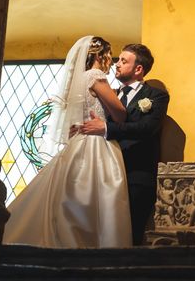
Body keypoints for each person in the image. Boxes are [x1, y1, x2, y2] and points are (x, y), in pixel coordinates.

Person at [2, 36, 132, 248]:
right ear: (100, 55)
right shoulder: (95, 75)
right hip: (97, 143)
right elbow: (120, 114)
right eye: (109, 55)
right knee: (101, 197)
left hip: (78, 140)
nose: (112, 60)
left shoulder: (77, 79)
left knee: (73, 196)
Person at [78, 43, 170, 245]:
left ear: (138, 69)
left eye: (123, 61)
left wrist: (106, 129)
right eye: (118, 59)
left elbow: (147, 128)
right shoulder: (107, 93)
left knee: (130, 236)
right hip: (104, 174)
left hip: (136, 176)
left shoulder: (156, 96)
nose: (116, 64)